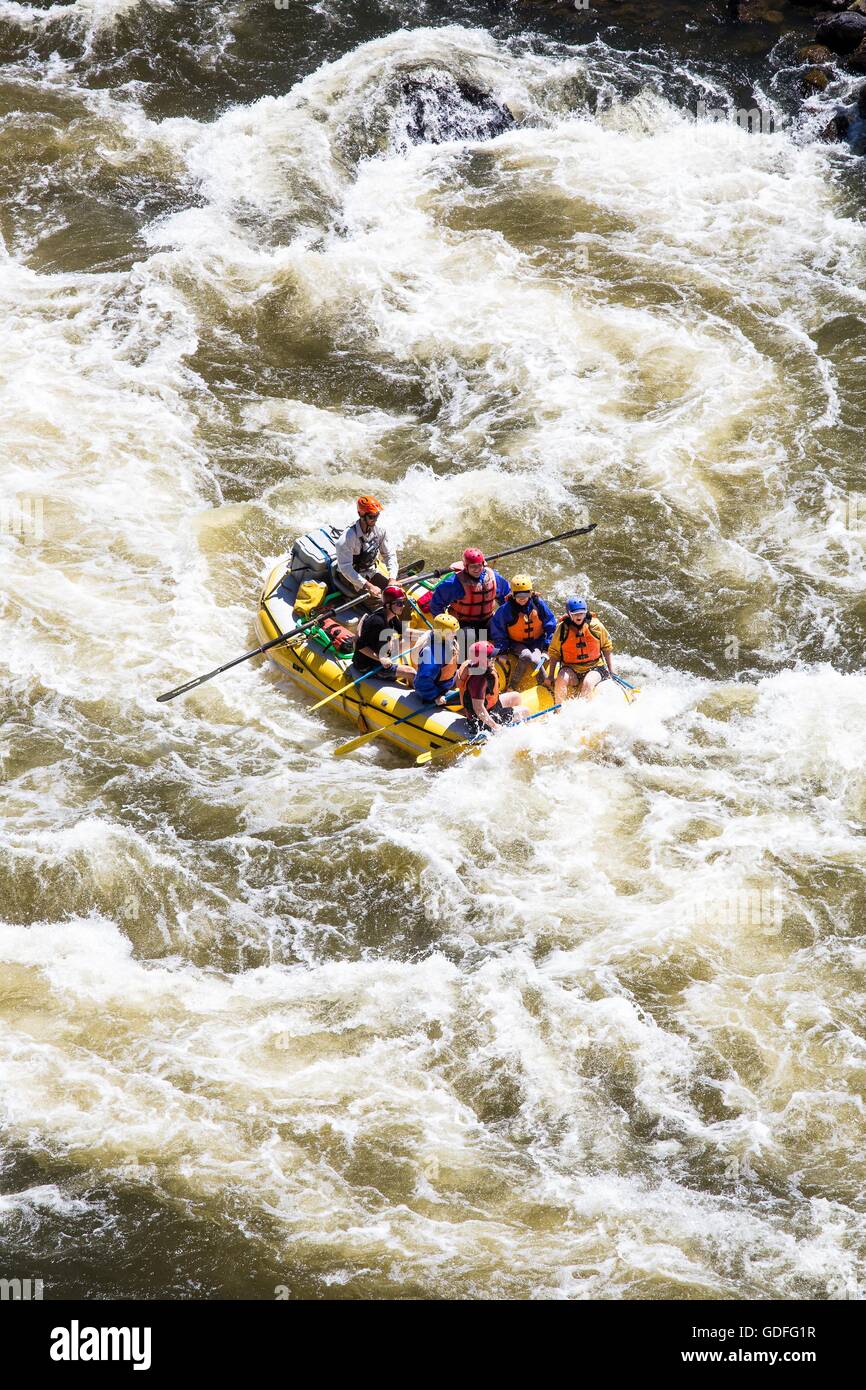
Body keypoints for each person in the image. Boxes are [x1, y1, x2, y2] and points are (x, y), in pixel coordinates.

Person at [488, 574, 557, 691]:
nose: (522, 598)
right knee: (525, 655)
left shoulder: (538, 604)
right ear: (513, 594)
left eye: (526, 595)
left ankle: (546, 686)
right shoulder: (506, 610)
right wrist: (502, 651)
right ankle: (512, 687)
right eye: (519, 595)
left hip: (536, 642)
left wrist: (547, 647)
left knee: (536, 660)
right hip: (516, 643)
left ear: (530, 593)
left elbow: (550, 624)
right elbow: (498, 631)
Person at [428, 548, 509, 642]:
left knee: (503, 630)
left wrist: (507, 617)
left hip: (487, 619)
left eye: (479, 565)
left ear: (483, 564)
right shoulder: (454, 583)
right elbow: (436, 603)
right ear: (466, 567)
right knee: (468, 638)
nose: (477, 569)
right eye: (473, 566)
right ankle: (463, 654)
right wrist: (443, 625)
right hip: (463, 623)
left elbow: (506, 597)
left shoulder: (493, 577)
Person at [544, 598, 614, 702]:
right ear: (569, 614)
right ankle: (558, 710)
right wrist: (550, 676)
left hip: (595, 667)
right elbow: (554, 653)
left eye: (582, 613)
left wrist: (611, 671)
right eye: (575, 614)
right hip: (571, 668)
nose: (579, 616)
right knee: (561, 678)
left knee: (588, 683)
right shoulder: (562, 629)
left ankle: (584, 713)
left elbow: (607, 648)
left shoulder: (596, 626)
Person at [334, 496, 399, 600]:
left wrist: (392, 578)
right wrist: (369, 586)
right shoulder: (347, 538)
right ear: (361, 515)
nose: (375, 520)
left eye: (377, 515)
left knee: (397, 596)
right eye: (371, 517)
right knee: (383, 602)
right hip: (351, 578)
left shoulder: (380, 531)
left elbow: (389, 555)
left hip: (370, 571)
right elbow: (345, 568)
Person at [457, 641, 526, 734]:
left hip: (490, 706)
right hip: (480, 721)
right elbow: (478, 709)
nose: (494, 658)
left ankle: (512, 724)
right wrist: (495, 726)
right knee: (525, 711)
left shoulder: (474, 665)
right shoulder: (479, 679)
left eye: (494, 655)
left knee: (516, 696)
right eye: (490, 657)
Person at [351, 586, 415, 683]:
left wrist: (430, 633)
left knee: (411, 638)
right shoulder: (377, 622)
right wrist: (382, 658)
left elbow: (405, 631)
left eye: (403, 602)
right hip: (369, 664)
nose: (403, 606)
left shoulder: (391, 616)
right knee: (411, 672)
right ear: (388, 605)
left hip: (383, 653)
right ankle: (426, 694)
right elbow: (359, 645)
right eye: (399, 603)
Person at [413, 614, 461, 706]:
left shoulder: (449, 642)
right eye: (453, 632)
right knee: (468, 697)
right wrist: (435, 696)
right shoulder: (431, 653)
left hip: (447, 682)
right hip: (436, 691)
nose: (455, 634)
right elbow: (422, 682)